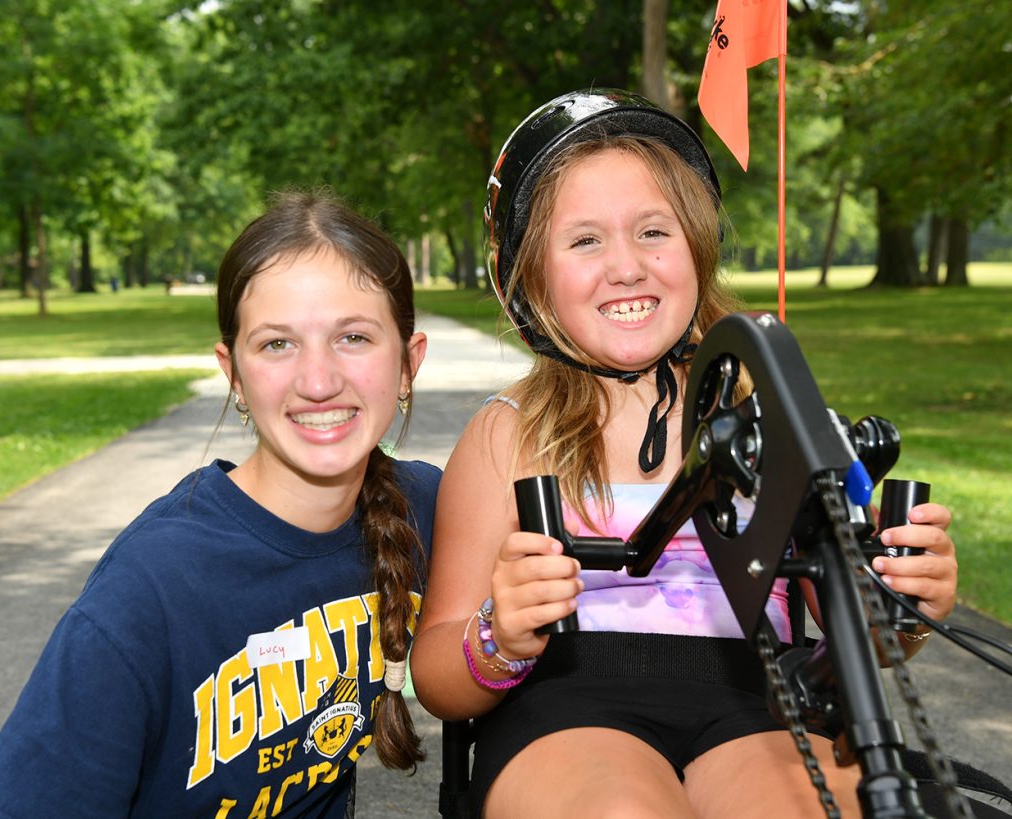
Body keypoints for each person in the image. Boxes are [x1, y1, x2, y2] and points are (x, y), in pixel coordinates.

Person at [409, 89, 959, 818]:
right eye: (585, 241)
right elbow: (439, 676)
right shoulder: (507, 433)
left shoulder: (774, 418)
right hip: (568, 703)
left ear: (696, 248)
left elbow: (863, 634)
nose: (626, 266)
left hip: (757, 699)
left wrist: (904, 598)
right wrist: (498, 634)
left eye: (652, 232)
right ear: (530, 280)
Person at [0, 190, 441, 818]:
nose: (318, 381)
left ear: (407, 364)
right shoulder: (146, 595)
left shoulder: (426, 508)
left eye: (354, 337)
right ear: (234, 374)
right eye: (277, 344)